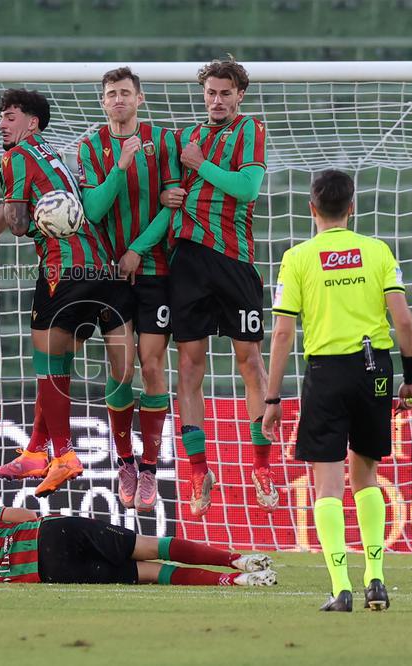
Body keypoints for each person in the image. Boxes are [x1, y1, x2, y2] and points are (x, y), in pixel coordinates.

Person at [0, 89, 111, 498]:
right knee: (56, 365)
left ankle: (64, 455)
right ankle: (34, 452)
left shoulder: (17, 157)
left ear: (32, 122)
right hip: (97, 267)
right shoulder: (50, 157)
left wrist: (23, 214)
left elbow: (16, 224)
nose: (1, 124)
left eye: (10, 117)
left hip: (62, 268)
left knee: (45, 364)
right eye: (2, 117)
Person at [119, 56, 277, 517]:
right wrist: (163, 201)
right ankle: (198, 471)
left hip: (235, 261)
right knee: (189, 366)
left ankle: (262, 466)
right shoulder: (186, 137)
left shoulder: (251, 130)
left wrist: (201, 165)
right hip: (187, 261)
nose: (217, 100)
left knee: (250, 361)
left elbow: (247, 188)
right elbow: (171, 197)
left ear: (240, 95)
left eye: (226, 93)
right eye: (211, 92)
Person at [262, 170, 412, 612]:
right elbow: (403, 320)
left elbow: (282, 333)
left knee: (327, 484)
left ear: (311, 208)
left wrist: (272, 399)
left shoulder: (297, 257)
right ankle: (376, 579)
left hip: (326, 373)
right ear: (352, 207)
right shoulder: (377, 250)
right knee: (366, 476)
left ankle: (340, 587)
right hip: (375, 370)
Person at [77, 67, 181, 513]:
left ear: (140, 98)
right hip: (109, 274)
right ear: (103, 102)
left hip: (156, 270)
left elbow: (173, 205)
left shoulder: (164, 142)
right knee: (120, 370)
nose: (118, 99)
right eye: (110, 94)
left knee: (152, 366)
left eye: (125, 92)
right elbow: (94, 209)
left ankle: (150, 468)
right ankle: (124, 462)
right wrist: (120, 167)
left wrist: (137, 249)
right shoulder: (90, 147)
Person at [0, 503, 276, 586]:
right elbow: (25, 515)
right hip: (51, 535)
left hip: (52, 573)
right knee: (150, 545)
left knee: (149, 573)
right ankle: (235, 559)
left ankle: (236, 580)